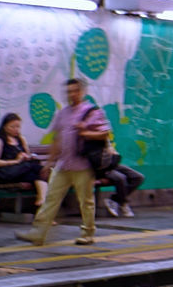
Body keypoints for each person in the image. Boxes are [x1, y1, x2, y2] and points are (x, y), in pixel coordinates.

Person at [15, 78, 109, 246]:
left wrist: (85, 133)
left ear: (82, 92)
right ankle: (38, 232)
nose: (71, 94)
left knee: (86, 201)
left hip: (83, 166)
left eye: (75, 91)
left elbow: (104, 134)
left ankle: (88, 233)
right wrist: (49, 162)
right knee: (51, 198)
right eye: (69, 91)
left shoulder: (92, 111)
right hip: (63, 165)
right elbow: (57, 139)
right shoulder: (63, 113)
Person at [0, 113, 48, 206]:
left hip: (22, 171)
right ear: (4, 126)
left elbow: (27, 156)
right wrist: (16, 161)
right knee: (37, 169)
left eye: (18, 126)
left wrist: (28, 156)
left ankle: (42, 201)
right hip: (4, 173)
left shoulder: (21, 139)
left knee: (35, 174)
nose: (16, 129)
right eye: (12, 127)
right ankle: (44, 201)